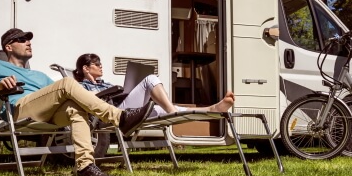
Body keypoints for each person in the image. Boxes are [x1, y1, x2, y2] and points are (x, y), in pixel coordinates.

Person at [0, 29, 154, 176]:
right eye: (22, 39)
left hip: (45, 113)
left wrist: (94, 96)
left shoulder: (39, 75)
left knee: (76, 108)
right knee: (66, 83)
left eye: (29, 40)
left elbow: (64, 93)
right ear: (8, 47)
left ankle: (85, 167)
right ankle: (121, 118)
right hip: (18, 109)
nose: (28, 42)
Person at [73, 53, 235, 117]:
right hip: (115, 113)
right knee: (150, 79)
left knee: (165, 108)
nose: (101, 66)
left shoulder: (105, 83)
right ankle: (173, 113)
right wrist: (90, 80)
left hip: (124, 107)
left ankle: (214, 109)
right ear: (86, 68)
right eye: (96, 64)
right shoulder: (82, 86)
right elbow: (89, 101)